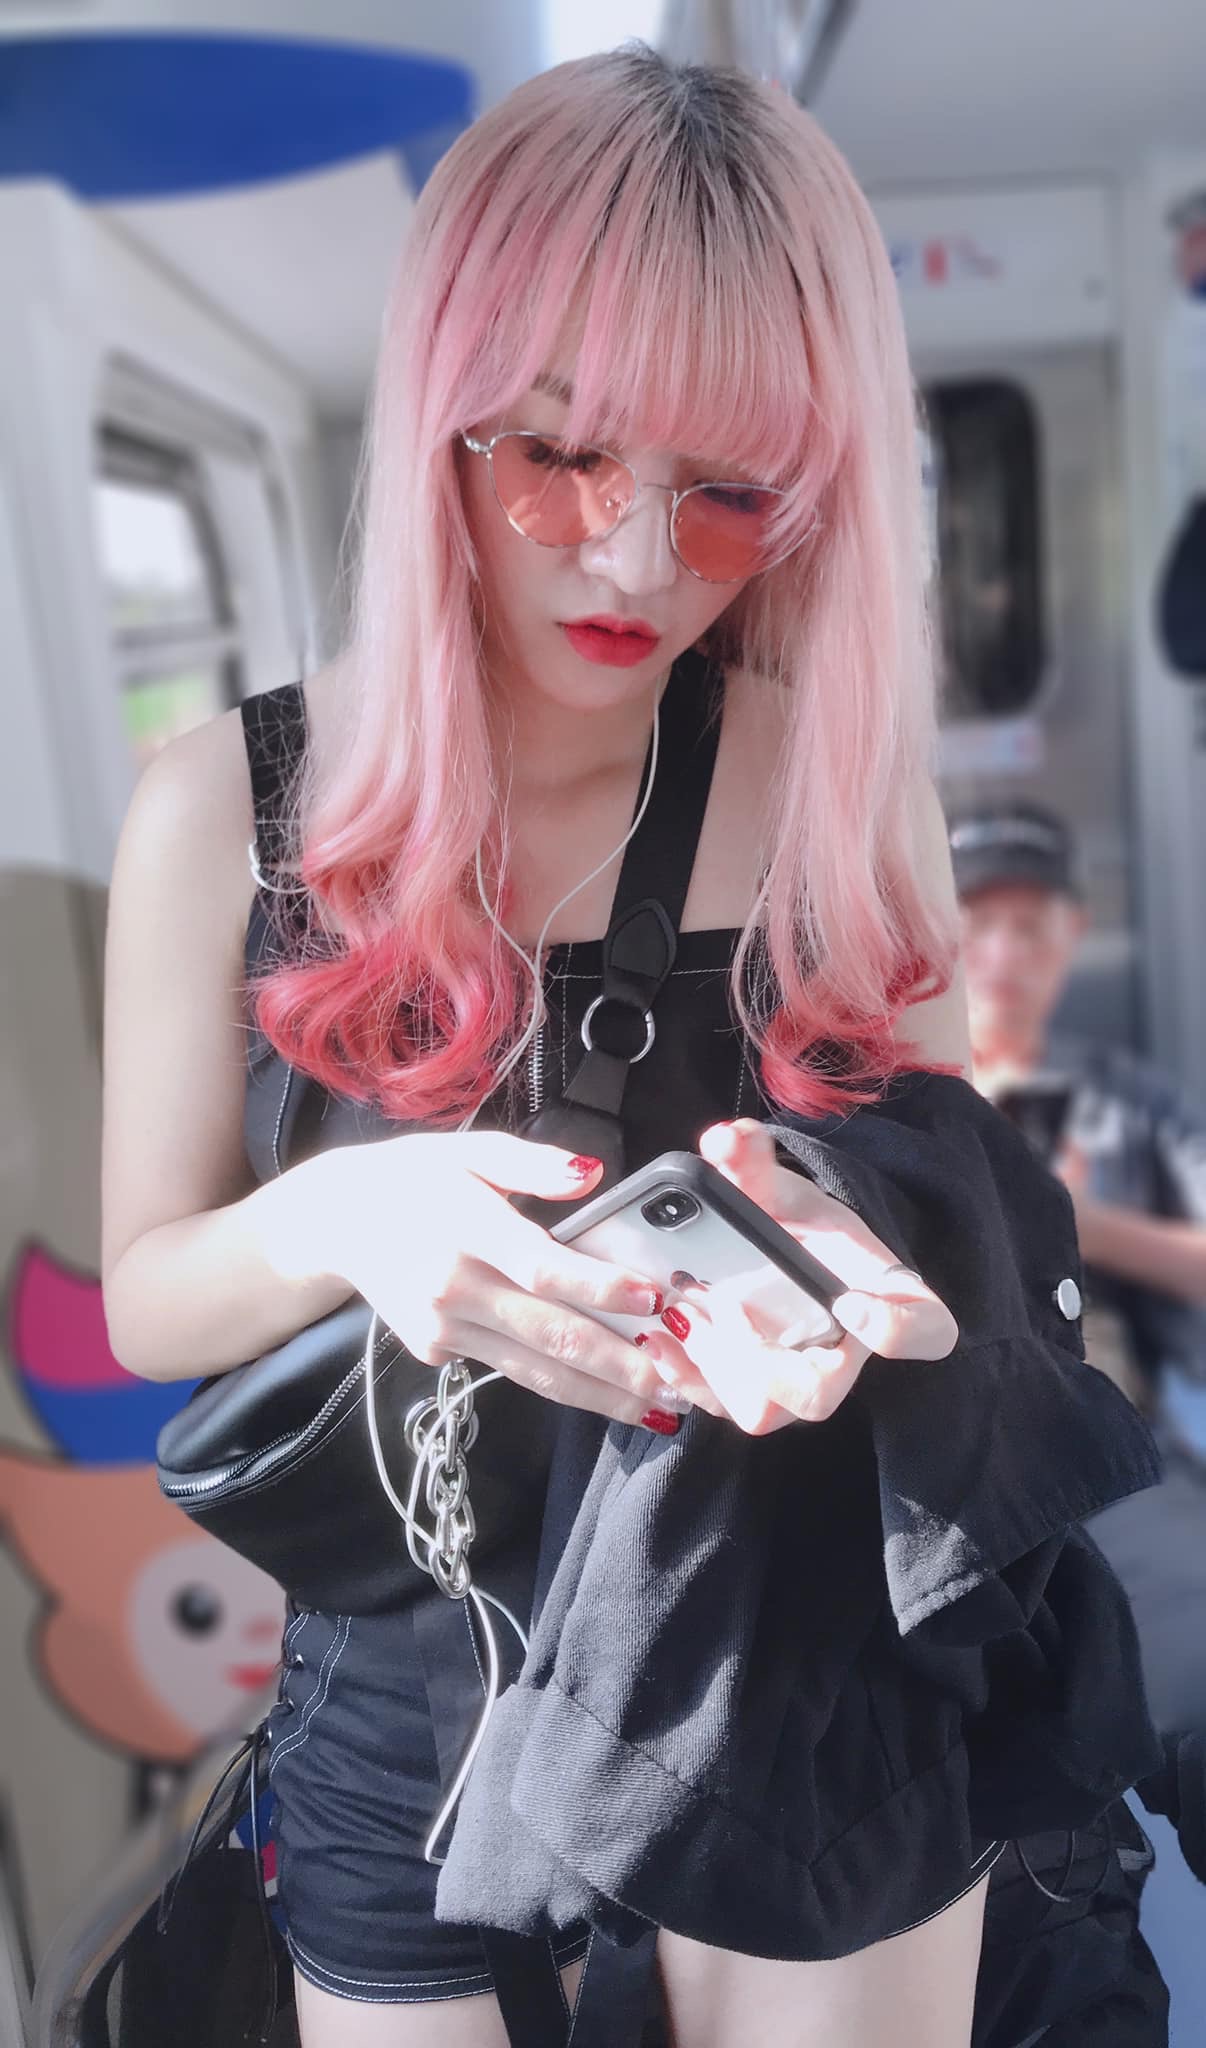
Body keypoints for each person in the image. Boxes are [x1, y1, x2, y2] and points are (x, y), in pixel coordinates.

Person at [100, 48, 1160, 2048]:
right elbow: (151, 1296)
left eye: (730, 492)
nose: (635, 559)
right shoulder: (216, 816)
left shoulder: (836, 785)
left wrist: (874, 1248)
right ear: (441, 420)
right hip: (404, 1685)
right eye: (563, 457)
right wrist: (353, 1219)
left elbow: (970, 1218)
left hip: (803, 1662)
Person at [953, 799, 1206, 1888]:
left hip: (1108, 1454)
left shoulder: (1121, 1103)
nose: (1003, 953)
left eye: (1030, 925)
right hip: (928, 1475)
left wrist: (1085, 1224)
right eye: (979, 922)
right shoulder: (878, 1093)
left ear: (1070, 937)